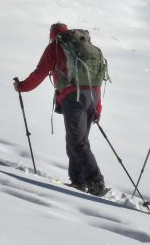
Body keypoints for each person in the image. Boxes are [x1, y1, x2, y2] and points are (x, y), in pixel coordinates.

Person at [13, 22, 107, 196]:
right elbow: (95, 79)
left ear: (52, 35)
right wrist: (98, 107)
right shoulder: (82, 46)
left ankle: (96, 181)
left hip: (74, 97)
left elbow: (40, 72)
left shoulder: (55, 47)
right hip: (93, 96)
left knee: (77, 142)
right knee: (76, 140)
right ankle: (78, 181)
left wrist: (22, 87)